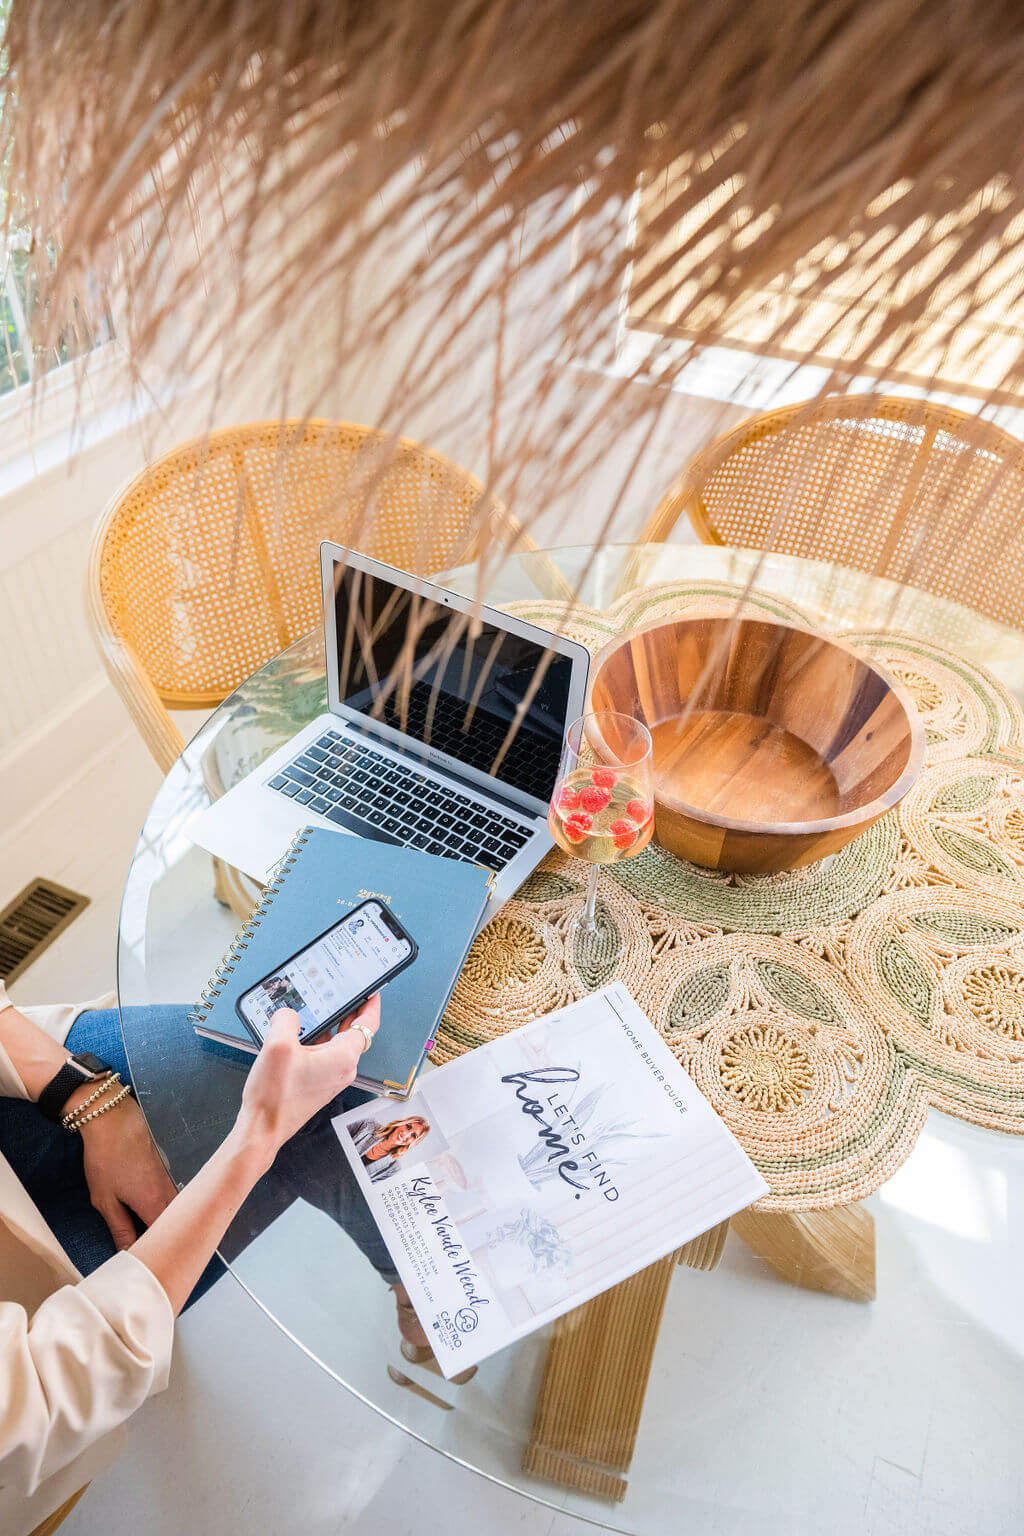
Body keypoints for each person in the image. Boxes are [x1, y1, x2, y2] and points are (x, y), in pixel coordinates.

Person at [0, 978, 380, 1536]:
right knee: (325, 1094)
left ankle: (409, 1276)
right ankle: (415, 1277)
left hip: (16, 1087)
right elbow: (34, 1398)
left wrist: (86, 1098)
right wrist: (257, 1138)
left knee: (310, 1053)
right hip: (34, 1317)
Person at [347, 1114, 430, 1183]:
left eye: (413, 1136)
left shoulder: (393, 1169)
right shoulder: (367, 1125)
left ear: (413, 1143)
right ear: (401, 1123)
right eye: (408, 1127)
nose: (405, 1134)